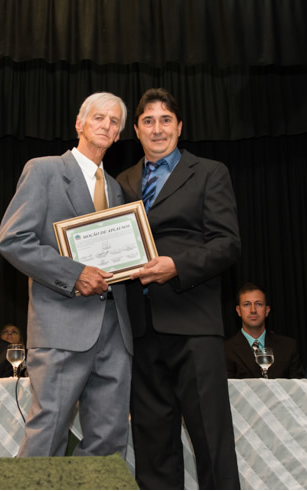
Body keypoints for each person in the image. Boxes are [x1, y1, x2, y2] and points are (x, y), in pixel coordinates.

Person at [116, 88, 241, 489]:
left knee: (212, 443)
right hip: (141, 330)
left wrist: (177, 266)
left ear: (180, 126)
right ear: (137, 130)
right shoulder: (122, 181)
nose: (157, 129)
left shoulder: (209, 172)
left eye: (166, 120)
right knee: (153, 446)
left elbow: (228, 244)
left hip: (194, 325)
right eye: (148, 121)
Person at [0, 92, 133, 459]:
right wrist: (74, 274)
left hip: (115, 330)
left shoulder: (117, 188)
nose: (106, 125)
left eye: (114, 122)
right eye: (98, 117)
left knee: (110, 440)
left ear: (118, 135)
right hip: (61, 325)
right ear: (79, 124)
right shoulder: (44, 170)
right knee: (48, 433)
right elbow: (12, 240)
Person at [225, 282, 303, 379]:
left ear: (267, 310)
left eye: (259, 304)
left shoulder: (288, 347)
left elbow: (298, 387)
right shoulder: (225, 350)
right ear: (238, 311)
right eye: (247, 304)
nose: (253, 310)